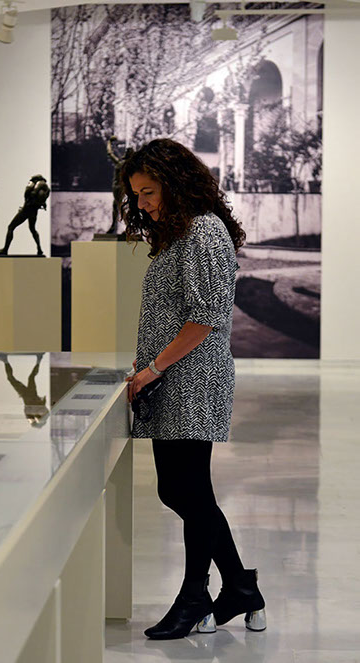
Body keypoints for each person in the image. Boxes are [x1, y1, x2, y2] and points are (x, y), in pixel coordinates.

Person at [121, 138, 266, 640]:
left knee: (189, 489)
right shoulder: (179, 233)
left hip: (193, 379)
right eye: (136, 194)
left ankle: (194, 596)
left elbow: (206, 316)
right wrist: (149, 365)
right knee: (179, 489)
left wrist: (154, 368)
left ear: (175, 183)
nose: (142, 203)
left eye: (149, 192)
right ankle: (239, 586)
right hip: (171, 377)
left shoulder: (204, 232)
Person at [0, 175, 50, 256]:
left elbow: (32, 193)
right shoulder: (46, 188)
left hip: (26, 210)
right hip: (34, 211)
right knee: (32, 229)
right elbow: (42, 201)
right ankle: (39, 249)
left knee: (11, 227)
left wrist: (25, 206)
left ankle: (5, 249)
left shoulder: (37, 184)